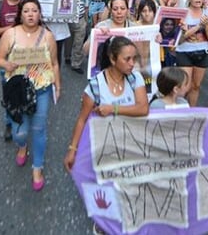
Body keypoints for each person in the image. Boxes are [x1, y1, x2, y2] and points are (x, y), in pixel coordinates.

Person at [0, 0, 60, 191]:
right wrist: (6, 64)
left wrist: (58, 85)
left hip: (42, 88)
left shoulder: (48, 36)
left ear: (40, 14)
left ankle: (37, 167)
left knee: (39, 129)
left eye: (34, 11)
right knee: (19, 132)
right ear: (20, 14)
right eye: (26, 11)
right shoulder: (10, 34)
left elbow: (54, 63)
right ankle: (22, 146)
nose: (31, 14)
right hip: (17, 91)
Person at [64, 36, 149, 172]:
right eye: (127, 59)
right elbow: (82, 119)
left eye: (134, 58)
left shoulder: (135, 78)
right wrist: (72, 150)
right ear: (113, 59)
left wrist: (112, 109)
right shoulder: (95, 85)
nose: (132, 63)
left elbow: (143, 109)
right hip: (106, 149)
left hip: (133, 147)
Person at [0, 0, 22, 142]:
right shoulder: (0, 6)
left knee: (26, 89)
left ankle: (23, 120)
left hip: (25, 56)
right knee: (9, 93)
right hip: (6, 57)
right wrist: (12, 28)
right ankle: (9, 123)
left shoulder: (25, 4)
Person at [175, 0, 208, 107]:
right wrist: (199, 26)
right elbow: (180, 40)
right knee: (185, 86)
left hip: (202, 52)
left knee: (196, 86)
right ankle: (179, 109)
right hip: (184, 52)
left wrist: (206, 25)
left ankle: (191, 112)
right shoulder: (183, 13)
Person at [65, 0, 90, 74]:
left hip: (80, 20)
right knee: (68, 41)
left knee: (78, 43)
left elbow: (86, 6)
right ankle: (67, 56)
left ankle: (76, 64)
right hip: (69, 20)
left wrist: (86, 20)